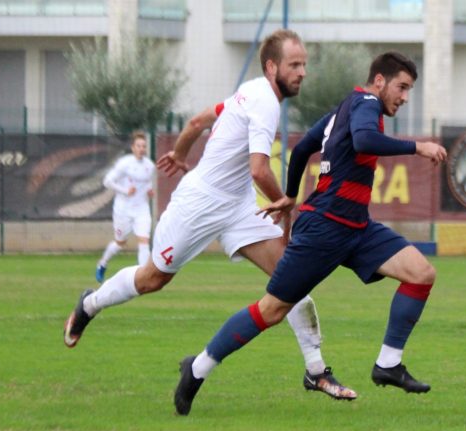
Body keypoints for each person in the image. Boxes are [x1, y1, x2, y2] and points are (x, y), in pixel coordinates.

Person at [64, 29, 357, 401]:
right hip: (199, 204)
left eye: (304, 65)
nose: (302, 72)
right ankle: (89, 304)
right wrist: (287, 203)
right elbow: (259, 171)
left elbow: (198, 121)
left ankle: (316, 372)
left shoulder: (252, 90)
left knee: (293, 280)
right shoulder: (264, 101)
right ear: (272, 67)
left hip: (236, 205)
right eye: (294, 64)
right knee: (153, 278)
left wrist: (182, 153)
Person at [173, 51, 447, 415]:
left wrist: (289, 195)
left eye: (409, 89)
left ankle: (388, 365)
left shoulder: (345, 107)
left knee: (420, 273)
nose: (404, 96)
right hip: (325, 228)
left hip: (356, 227)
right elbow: (364, 141)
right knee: (272, 310)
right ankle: (197, 367)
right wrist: (418, 146)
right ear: (379, 81)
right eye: (402, 87)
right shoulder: (366, 103)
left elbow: (303, 148)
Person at [95, 131, 155, 283]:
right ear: (133, 147)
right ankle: (102, 263)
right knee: (120, 243)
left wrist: (149, 190)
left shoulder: (149, 165)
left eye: (144, 146)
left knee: (144, 240)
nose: (142, 149)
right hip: (123, 210)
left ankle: (144, 277)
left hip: (141, 209)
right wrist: (125, 191)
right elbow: (107, 181)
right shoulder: (125, 163)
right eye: (139, 146)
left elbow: (148, 182)